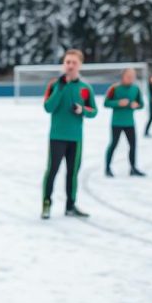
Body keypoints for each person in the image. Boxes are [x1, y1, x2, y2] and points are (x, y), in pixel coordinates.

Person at [41, 49, 98, 219]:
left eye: (74, 62)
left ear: (80, 65)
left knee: (72, 173)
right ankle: (46, 204)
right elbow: (48, 107)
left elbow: (94, 111)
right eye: (67, 62)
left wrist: (82, 110)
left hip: (76, 138)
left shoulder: (85, 88)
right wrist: (60, 87)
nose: (70, 66)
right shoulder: (54, 85)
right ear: (63, 64)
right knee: (52, 171)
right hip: (57, 137)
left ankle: (70, 206)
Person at [103, 68, 145, 177]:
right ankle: (107, 168)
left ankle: (133, 168)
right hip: (116, 123)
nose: (131, 78)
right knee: (113, 144)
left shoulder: (136, 89)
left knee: (133, 145)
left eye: (133, 76)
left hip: (130, 123)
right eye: (129, 76)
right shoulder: (114, 88)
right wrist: (118, 103)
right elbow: (106, 103)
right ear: (123, 76)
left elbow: (141, 104)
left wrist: (136, 105)